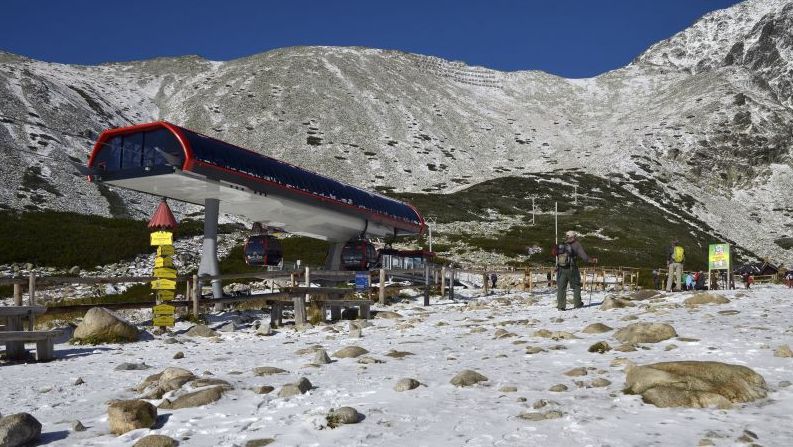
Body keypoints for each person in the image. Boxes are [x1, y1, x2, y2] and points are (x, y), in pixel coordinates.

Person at [553, 230, 598, 311]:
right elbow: (584, 257)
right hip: (572, 268)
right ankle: (577, 304)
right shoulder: (577, 244)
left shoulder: (562, 244)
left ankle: (561, 306)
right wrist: (592, 260)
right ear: (574, 236)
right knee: (576, 286)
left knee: (561, 287)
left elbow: (555, 253)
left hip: (561, 268)